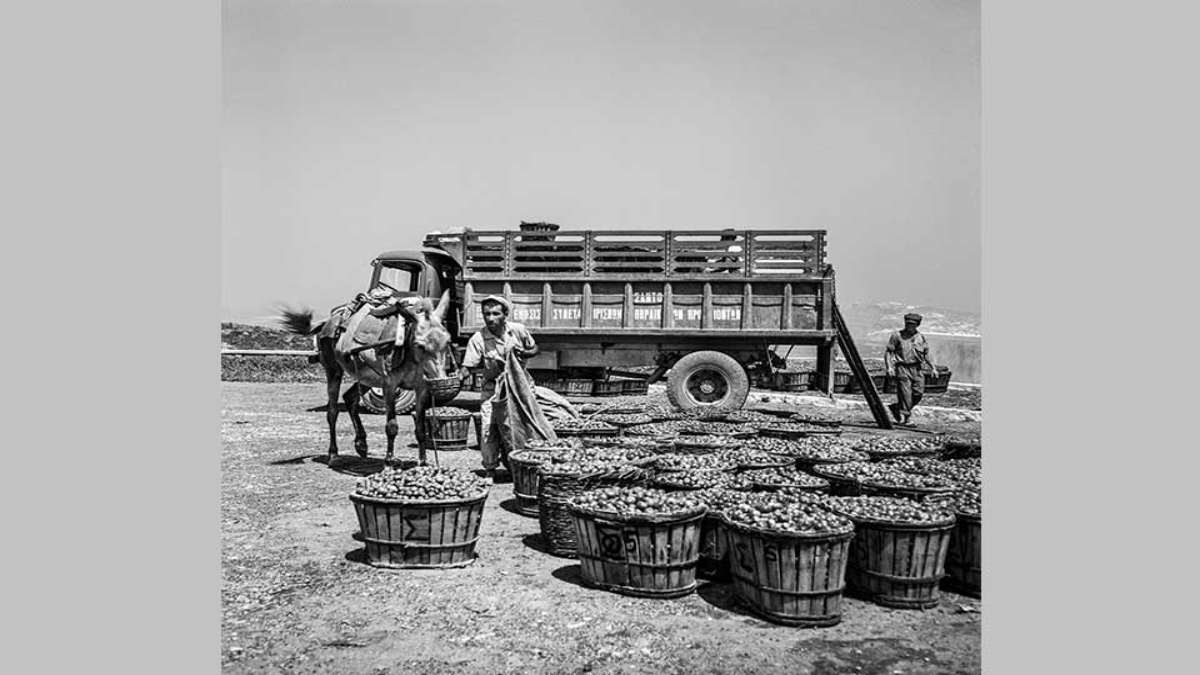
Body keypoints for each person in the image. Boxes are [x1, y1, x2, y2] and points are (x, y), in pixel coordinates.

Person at [460, 295, 541, 477]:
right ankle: (489, 469)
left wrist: (525, 353)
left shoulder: (518, 330)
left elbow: (535, 348)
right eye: (486, 314)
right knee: (489, 429)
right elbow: (468, 366)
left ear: (505, 315)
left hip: (521, 388)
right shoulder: (478, 339)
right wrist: (458, 376)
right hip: (493, 390)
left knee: (526, 426)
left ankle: (526, 465)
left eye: (495, 314)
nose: (490, 318)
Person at [884, 313, 938, 426]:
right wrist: (889, 367)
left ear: (917, 325)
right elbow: (889, 352)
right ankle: (906, 418)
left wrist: (933, 368)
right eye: (908, 324)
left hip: (917, 369)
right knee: (906, 394)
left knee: (918, 393)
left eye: (913, 324)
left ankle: (897, 407)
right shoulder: (897, 336)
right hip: (902, 368)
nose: (910, 326)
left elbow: (926, 354)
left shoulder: (920, 337)